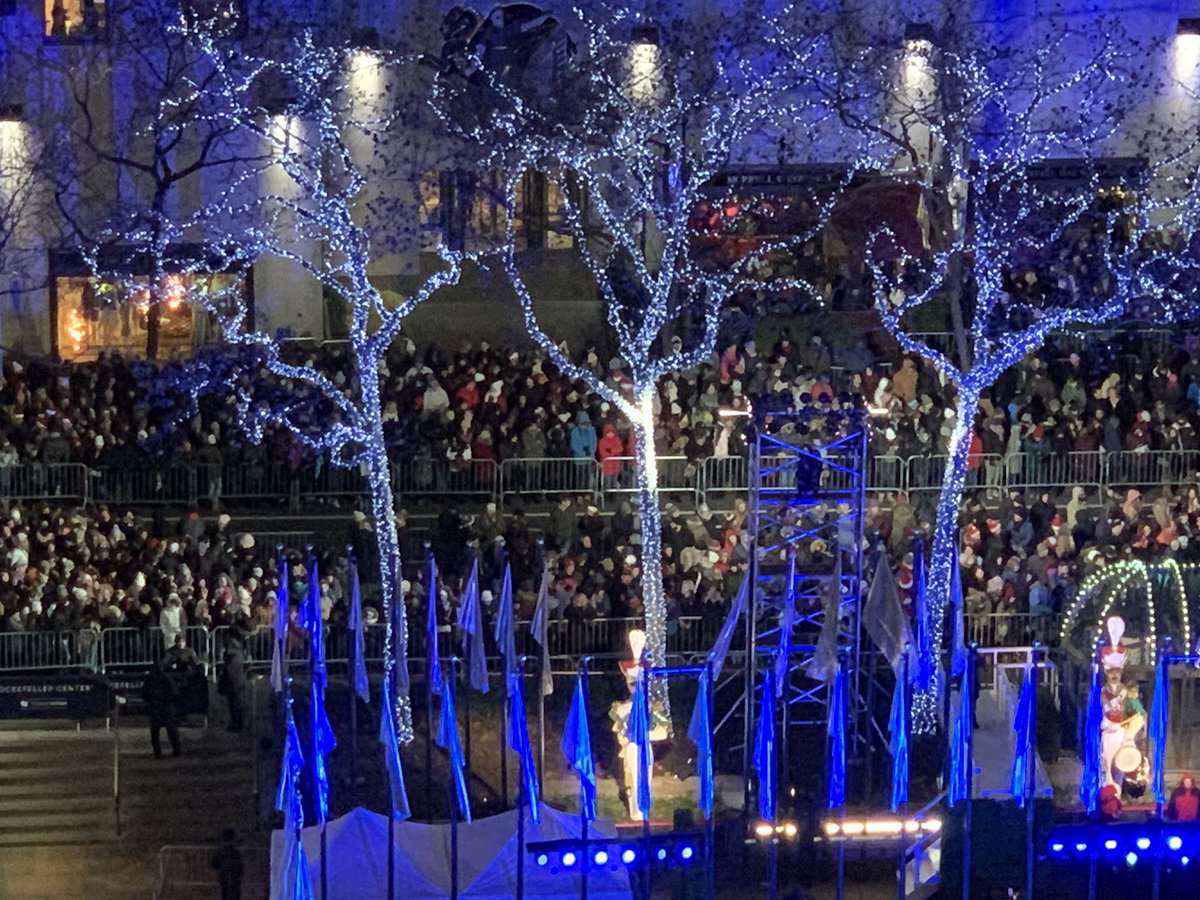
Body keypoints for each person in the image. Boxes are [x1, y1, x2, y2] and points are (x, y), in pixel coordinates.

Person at [143, 662, 181, 758]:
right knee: (171, 730)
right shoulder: (166, 679)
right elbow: (174, 693)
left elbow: (144, 694)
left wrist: (151, 700)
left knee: (155, 732)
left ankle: (157, 752)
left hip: (155, 707)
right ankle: (176, 750)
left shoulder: (149, 680)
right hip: (166, 707)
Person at [218, 638, 249, 732]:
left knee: (236, 704)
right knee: (234, 704)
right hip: (234, 683)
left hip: (235, 683)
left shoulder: (234, 656)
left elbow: (230, 670)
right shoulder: (235, 656)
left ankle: (238, 724)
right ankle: (237, 724)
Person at [210, 828, 244, 900]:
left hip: (225, 877)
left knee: (225, 894)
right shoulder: (235, 852)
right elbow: (240, 867)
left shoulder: (220, 851)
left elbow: (214, 864)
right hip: (233, 879)